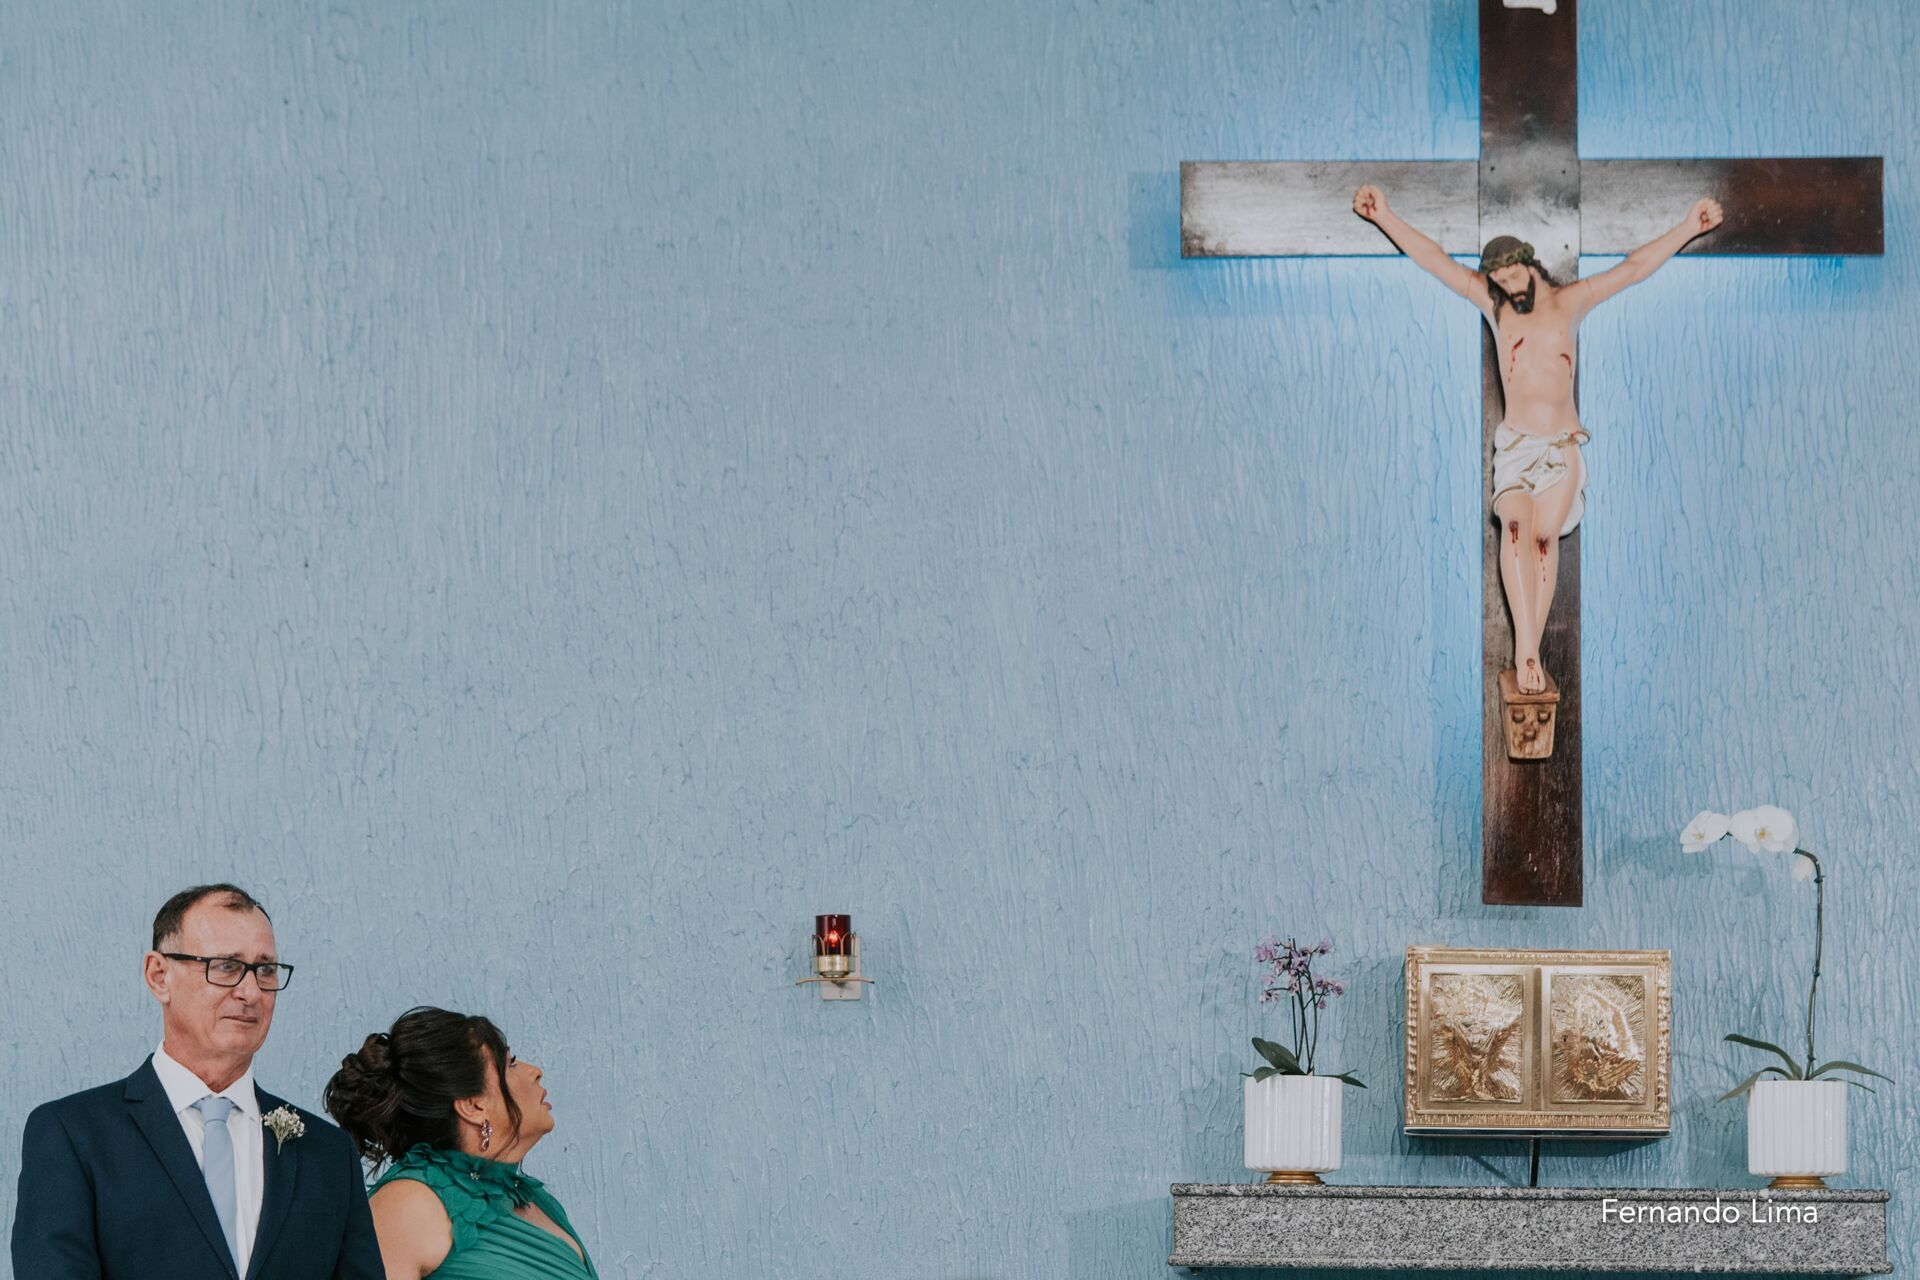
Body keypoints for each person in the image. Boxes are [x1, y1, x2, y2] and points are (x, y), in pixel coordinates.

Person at [1351, 184, 1724, 694]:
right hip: (1517, 446)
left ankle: (1533, 651)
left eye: (1512, 274)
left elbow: (1634, 268)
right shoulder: (1496, 308)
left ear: (1530, 263)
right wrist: (1385, 217)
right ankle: (1525, 651)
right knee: (1515, 527)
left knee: (1544, 540)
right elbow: (1435, 260)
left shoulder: (1572, 302)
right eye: (1498, 280)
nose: (1507, 285)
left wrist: (1688, 227)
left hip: (1561, 446)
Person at [11, 883, 383, 1279]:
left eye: (266, 970)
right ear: (159, 976)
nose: (250, 992)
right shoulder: (73, 1134)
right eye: (226, 966)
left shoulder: (328, 1153)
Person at [324, 1007, 596, 1278]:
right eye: (510, 1065)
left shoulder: (535, 1200)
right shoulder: (407, 1205)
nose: (535, 1071)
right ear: (473, 1106)